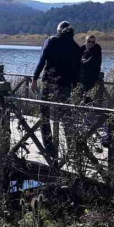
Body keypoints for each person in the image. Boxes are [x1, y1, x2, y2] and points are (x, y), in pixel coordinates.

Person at [31, 21, 82, 157]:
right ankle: (71, 147)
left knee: (44, 114)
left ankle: (48, 147)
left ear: (59, 30)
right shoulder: (76, 48)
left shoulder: (51, 41)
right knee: (66, 115)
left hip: (49, 82)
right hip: (65, 85)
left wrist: (35, 78)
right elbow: (77, 72)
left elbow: (42, 60)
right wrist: (76, 88)